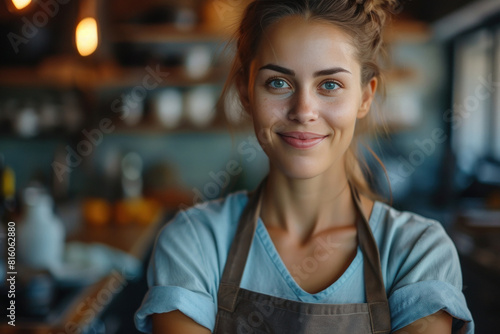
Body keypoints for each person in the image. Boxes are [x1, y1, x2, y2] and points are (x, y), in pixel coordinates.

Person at [135, 0, 474, 333]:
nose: (303, 110)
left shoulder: (419, 252)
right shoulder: (194, 242)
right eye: (278, 83)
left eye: (330, 85)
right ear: (245, 92)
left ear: (365, 97)